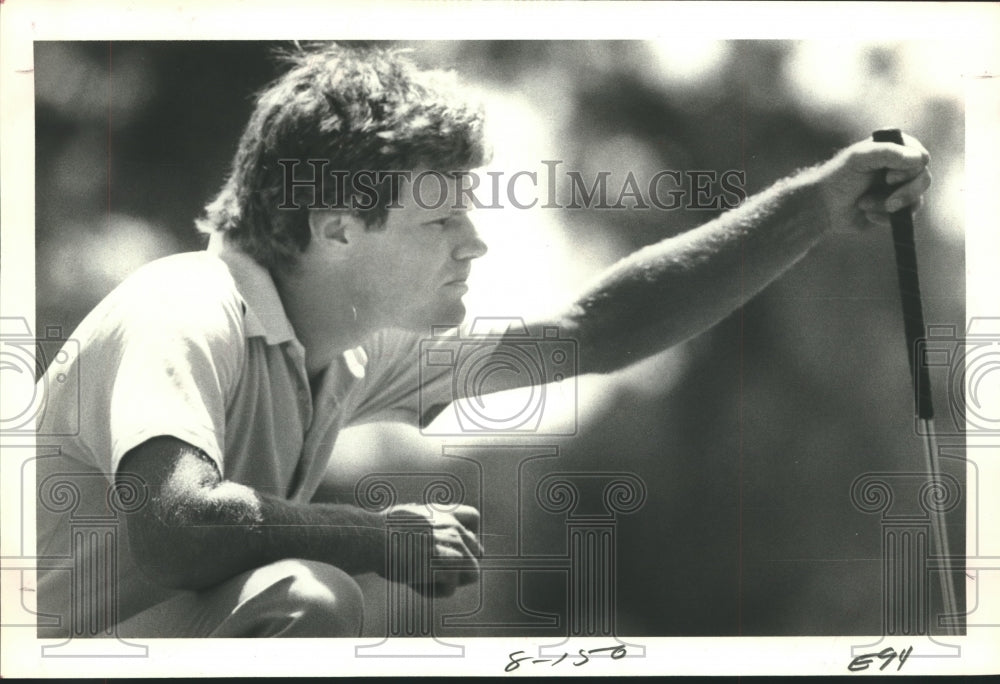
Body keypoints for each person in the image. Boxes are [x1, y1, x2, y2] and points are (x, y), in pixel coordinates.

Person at [35, 44, 931, 638]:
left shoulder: (347, 350)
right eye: (441, 221)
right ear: (338, 226)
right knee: (310, 596)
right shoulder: (184, 304)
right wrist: (377, 537)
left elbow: (593, 333)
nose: (476, 241)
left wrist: (812, 205)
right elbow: (176, 525)